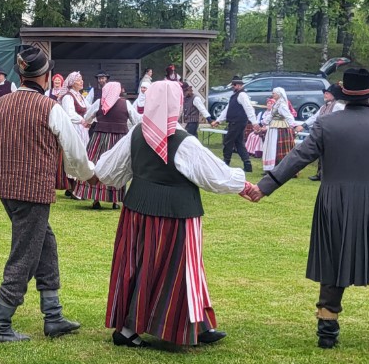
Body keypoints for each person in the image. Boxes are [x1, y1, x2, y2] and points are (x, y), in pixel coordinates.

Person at [256, 68, 369, 355]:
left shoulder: (326, 124)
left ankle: (327, 332)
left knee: (333, 260)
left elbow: (299, 156)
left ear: (344, 95)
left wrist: (265, 186)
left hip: (334, 202)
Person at [95, 81, 259, 348]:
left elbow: (108, 171)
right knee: (180, 269)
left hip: (137, 212)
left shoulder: (137, 133)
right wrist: (243, 185)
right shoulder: (183, 141)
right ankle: (133, 329)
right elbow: (215, 176)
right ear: (178, 105)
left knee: (140, 265)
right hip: (177, 215)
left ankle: (195, 323)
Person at [0, 45, 96, 343]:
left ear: (21, 75)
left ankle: (53, 314)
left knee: (44, 243)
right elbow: (74, 149)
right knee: (24, 254)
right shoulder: (50, 108)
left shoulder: (1, 105)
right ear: (46, 77)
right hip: (34, 192)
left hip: (8, 191)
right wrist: (89, 174)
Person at [75, 81, 140, 209]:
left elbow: (87, 118)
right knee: (116, 165)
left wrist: (90, 122)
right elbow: (137, 120)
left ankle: (95, 199)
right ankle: (115, 201)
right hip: (118, 140)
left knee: (96, 164)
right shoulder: (125, 103)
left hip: (99, 138)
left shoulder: (99, 103)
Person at [211, 76, 256, 172]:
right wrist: (218, 120)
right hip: (235, 122)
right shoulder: (235, 95)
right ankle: (247, 165)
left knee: (228, 142)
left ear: (239, 85)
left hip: (237, 122)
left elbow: (249, 108)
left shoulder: (242, 95)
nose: (233, 87)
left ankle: (226, 163)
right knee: (239, 143)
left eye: (234, 85)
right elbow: (227, 109)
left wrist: (254, 122)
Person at [57, 72, 90, 195]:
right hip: (73, 129)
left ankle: (77, 186)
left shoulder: (80, 96)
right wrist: (82, 120)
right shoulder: (68, 97)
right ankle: (72, 187)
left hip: (82, 129)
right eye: (78, 80)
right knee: (74, 156)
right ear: (71, 83)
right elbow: (69, 114)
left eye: (81, 79)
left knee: (82, 156)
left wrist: (91, 119)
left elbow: (89, 109)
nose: (81, 81)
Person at [303, 85, 345, 181]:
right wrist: (304, 125)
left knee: (331, 155)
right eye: (325, 93)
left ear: (333, 95)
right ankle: (320, 174)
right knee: (322, 153)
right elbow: (314, 117)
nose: (325, 95)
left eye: (327, 93)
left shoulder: (338, 106)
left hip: (334, 134)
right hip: (324, 134)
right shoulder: (323, 107)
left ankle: (330, 174)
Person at [258, 87, 302, 172]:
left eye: (274, 93)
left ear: (279, 94)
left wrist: (294, 126)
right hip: (273, 127)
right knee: (272, 147)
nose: (272, 94)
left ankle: (281, 169)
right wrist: (262, 123)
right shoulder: (276, 103)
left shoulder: (282, 104)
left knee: (278, 147)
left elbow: (288, 116)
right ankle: (272, 168)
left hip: (281, 128)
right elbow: (271, 115)